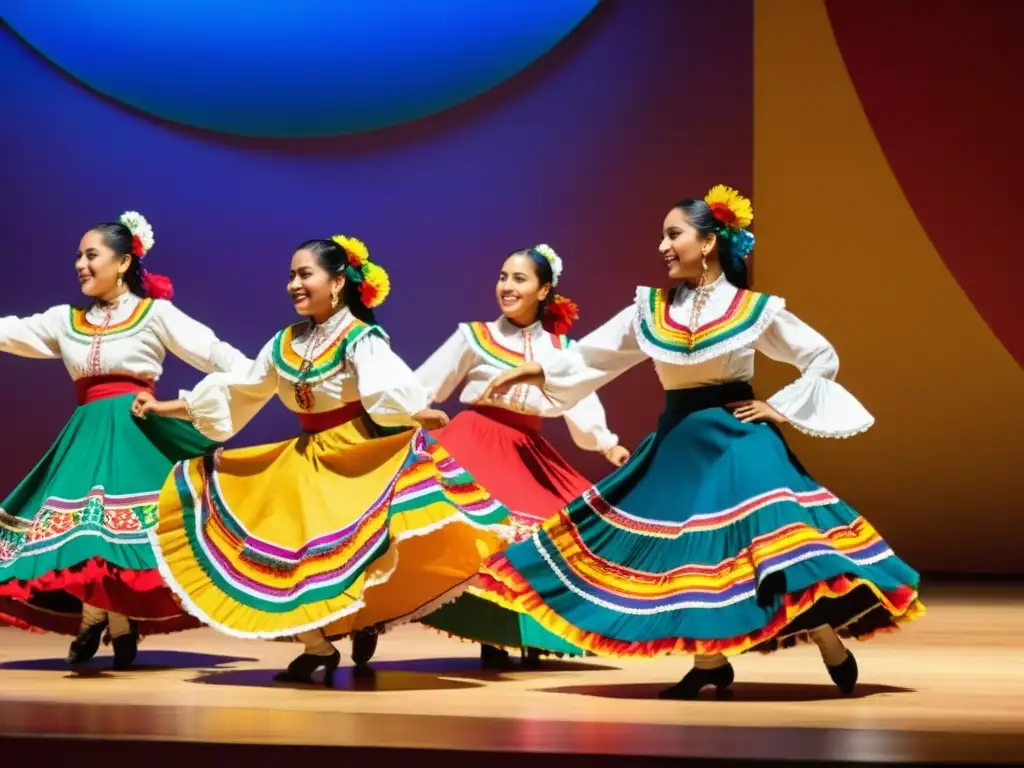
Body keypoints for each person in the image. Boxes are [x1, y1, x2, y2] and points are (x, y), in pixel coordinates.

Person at [475, 186, 924, 699]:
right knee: (690, 555)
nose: (664, 247)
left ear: (708, 242)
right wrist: (530, 369)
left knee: (780, 547)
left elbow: (820, 355)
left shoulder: (752, 309)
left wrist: (779, 406)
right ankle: (710, 662)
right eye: (663, 237)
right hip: (681, 441)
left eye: (674, 235)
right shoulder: (650, 308)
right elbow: (594, 355)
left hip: (738, 440)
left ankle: (826, 637)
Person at [135, 235, 513, 685]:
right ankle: (318, 645)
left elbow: (383, 387)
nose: (294, 284)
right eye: (291, 275)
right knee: (294, 562)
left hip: (357, 455)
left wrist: (414, 412)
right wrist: (169, 407)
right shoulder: (285, 343)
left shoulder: (359, 338)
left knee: (357, 550)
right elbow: (240, 389)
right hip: (307, 459)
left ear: (336, 283)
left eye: (304, 274)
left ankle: (363, 620)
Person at [0, 211, 252, 669]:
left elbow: (221, 357)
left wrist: (194, 402)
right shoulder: (65, 320)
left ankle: (98, 618)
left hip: (138, 436)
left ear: (121, 263)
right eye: (77, 255)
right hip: (88, 435)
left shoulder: (154, 314)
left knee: (120, 536)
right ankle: (110, 620)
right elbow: (8, 331)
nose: (80, 264)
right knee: (85, 533)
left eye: (91, 255)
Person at [409, 244, 630, 669]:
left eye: (519, 279)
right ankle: (489, 634)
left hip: (526, 449)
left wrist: (606, 442)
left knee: (548, 535)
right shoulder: (472, 336)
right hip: (474, 441)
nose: (507, 286)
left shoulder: (561, 349)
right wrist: (410, 412)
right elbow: (427, 383)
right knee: (480, 534)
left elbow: (579, 400)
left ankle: (530, 629)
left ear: (544, 290)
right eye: (503, 277)